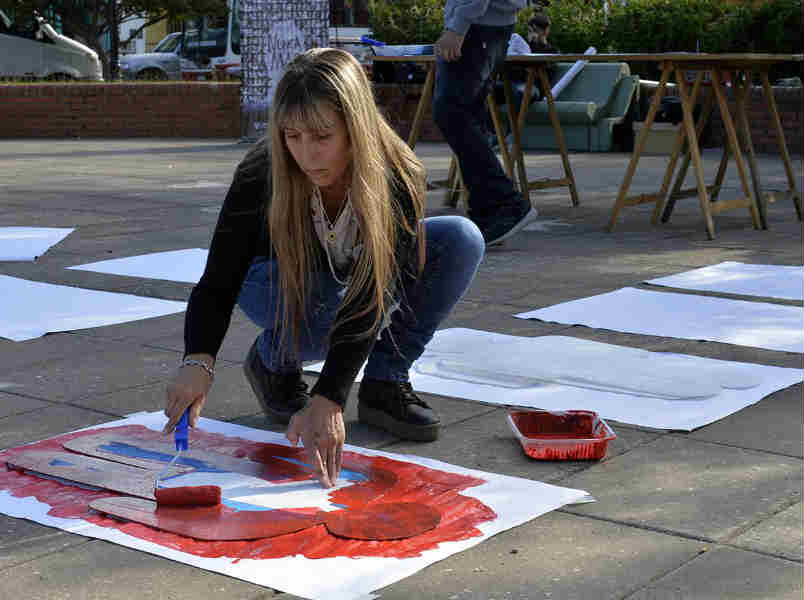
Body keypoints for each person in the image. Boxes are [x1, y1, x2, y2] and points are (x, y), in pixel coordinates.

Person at [163, 48, 485, 488]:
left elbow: (371, 296)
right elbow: (220, 277)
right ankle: (273, 361)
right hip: (273, 277)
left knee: (460, 240)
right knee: (322, 301)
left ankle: (385, 381)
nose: (306, 155)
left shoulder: (398, 174)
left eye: (321, 136)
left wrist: (330, 396)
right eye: (292, 136)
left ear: (355, 129)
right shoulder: (264, 170)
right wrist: (198, 361)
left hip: (343, 282)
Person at [433, 0, 536, 247]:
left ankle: (504, 203)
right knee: (467, 116)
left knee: (452, 113)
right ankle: (489, 212)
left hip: (478, 24)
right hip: (487, 23)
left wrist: (458, 25)